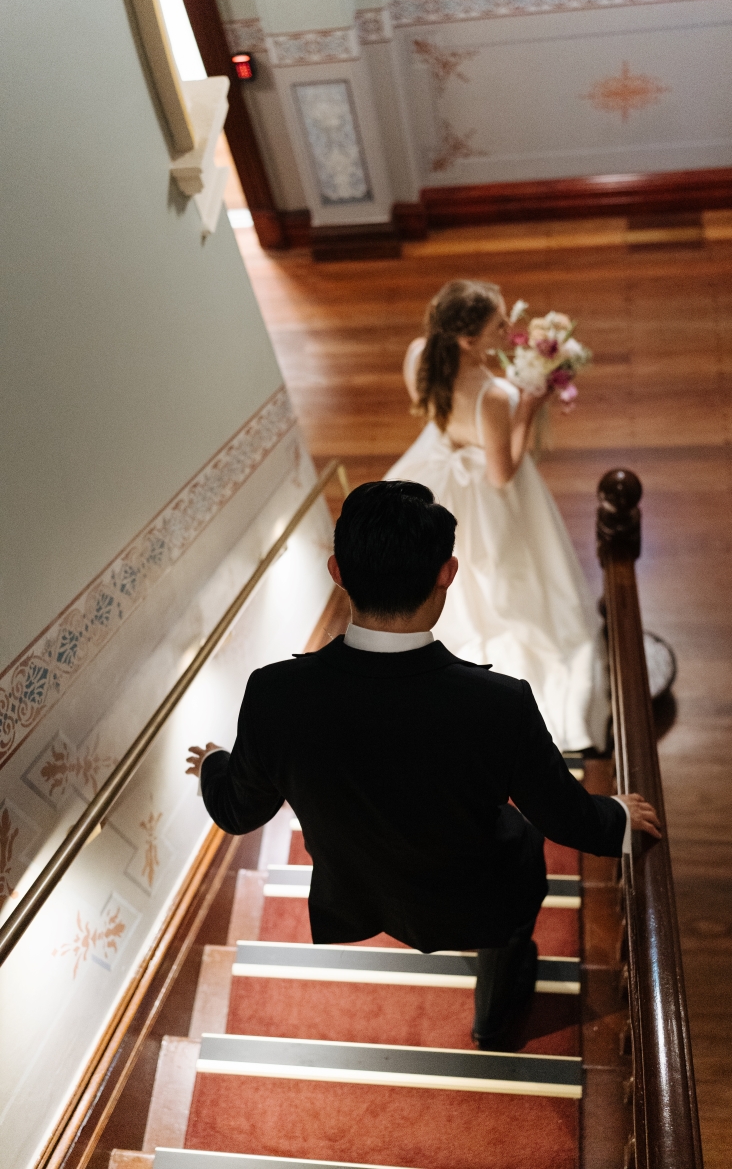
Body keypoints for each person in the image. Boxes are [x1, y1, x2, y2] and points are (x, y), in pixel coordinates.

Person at [187, 481, 660, 1048]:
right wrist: (620, 820)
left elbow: (239, 811)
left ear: (337, 571)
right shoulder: (499, 704)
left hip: (361, 892)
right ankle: (493, 1019)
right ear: (448, 572)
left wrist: (215, 763)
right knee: (517, 874)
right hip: (478, 896)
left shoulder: (274, 696)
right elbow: (564, 815)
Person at [386, 279, 608, 752]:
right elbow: (502, 474)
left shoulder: (418, 353)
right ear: (468, 340)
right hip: (483, 490)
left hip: (440, 466)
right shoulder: (492, 395)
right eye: (499, 324)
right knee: (514, 573)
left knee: (463, 574)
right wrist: (529, 405)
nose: (511, 329)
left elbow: (435, 416)